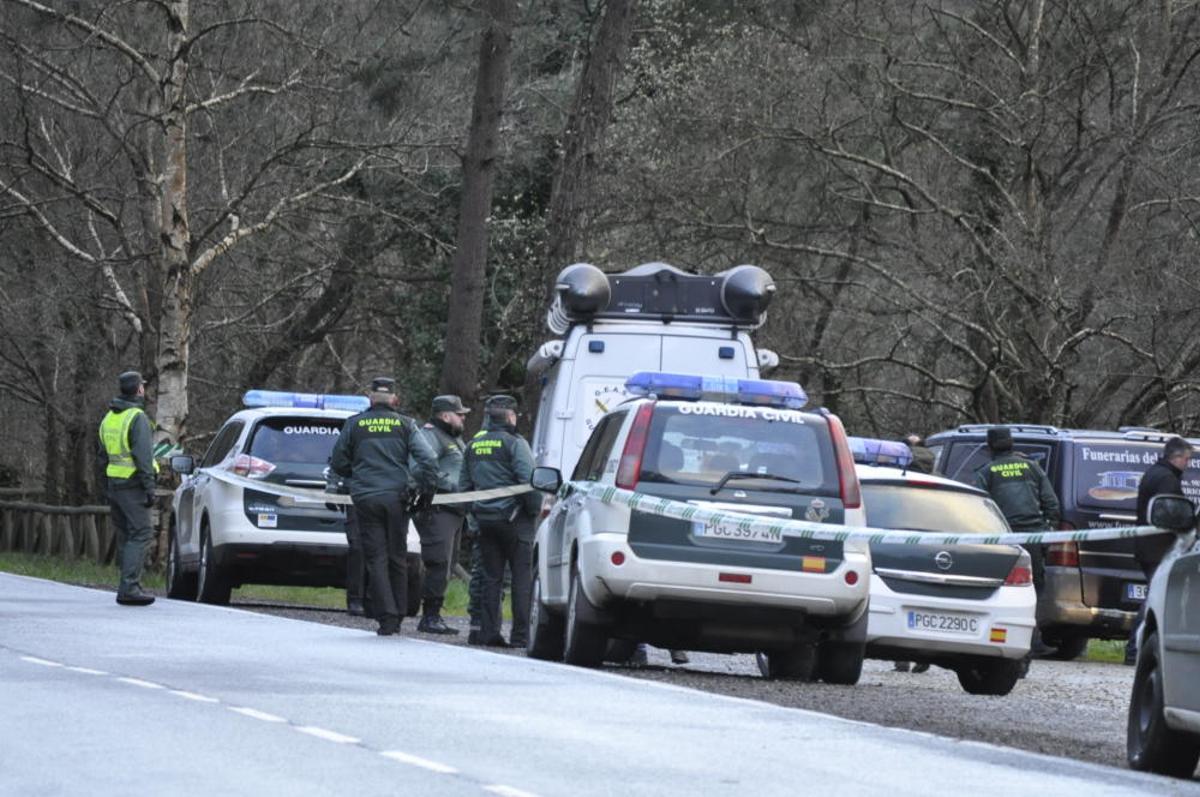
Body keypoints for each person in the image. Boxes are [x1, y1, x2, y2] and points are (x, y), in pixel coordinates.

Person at [329, 377, 437, 636]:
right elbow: (429, 459)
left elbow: (339, 462)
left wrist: (358, 474)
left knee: (376, 557)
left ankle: (386, 616)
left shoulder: (354, 424)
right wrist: (426, 489)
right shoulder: (406, 424)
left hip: (365, 498)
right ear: (395, 399)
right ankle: (398, 612)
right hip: (397, 498)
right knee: (397, 555)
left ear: (370, 398)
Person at [459, 395, 541, 647]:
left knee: (490, 578)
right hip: (515, 521)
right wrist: (533, 511)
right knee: (521, 578)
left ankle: (488, 633)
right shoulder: (515, 443)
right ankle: (520, 635)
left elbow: (464, 487)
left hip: (485, 521)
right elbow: (530, 482)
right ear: (510, 417)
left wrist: (475, 514)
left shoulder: (473, 444)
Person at [975, 426, 1061, 657]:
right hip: (1033, 537)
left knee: (1000, 589)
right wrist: (1048, 531)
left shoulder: (986, 472)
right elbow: (1051, 503)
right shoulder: (1032, 467)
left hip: (1003, 539)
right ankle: (1034, 641)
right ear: (1012, 443)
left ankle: (996, 636)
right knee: (1033, 589)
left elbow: (979, 508)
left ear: (990, 447)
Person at [1126, 436, 1194, 664]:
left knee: (1156, 596)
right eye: (1187, 459)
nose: (1187, 464)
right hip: (1159, 548)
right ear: (1176, 457)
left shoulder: (1155, 473)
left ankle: (1141, 648)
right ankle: (1135, 648)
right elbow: (1173, 513)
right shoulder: (1166, 479)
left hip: (1150, 547)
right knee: (1155, 598)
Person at [97, 370, 159, 606]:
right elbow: (143, 458)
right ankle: (130, 587)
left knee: (126, 535)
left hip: (115, 484)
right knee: (141, 533)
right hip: (133, 485)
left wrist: (105, 486)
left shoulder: (109, 418)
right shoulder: (137, 418)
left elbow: (101, 457)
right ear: (139, 389)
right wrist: (149, 488)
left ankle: (127, 585)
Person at [413, 395, 471, 635]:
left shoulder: (452, 437)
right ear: (446, 416)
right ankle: (429, 616)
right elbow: (419, 468)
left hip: (454, 511)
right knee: (438, 563)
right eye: (460, 414)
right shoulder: (430, 435)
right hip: (438, 509)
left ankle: (434, 614)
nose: (463, 418)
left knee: (447, 564)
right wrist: (450, 487)